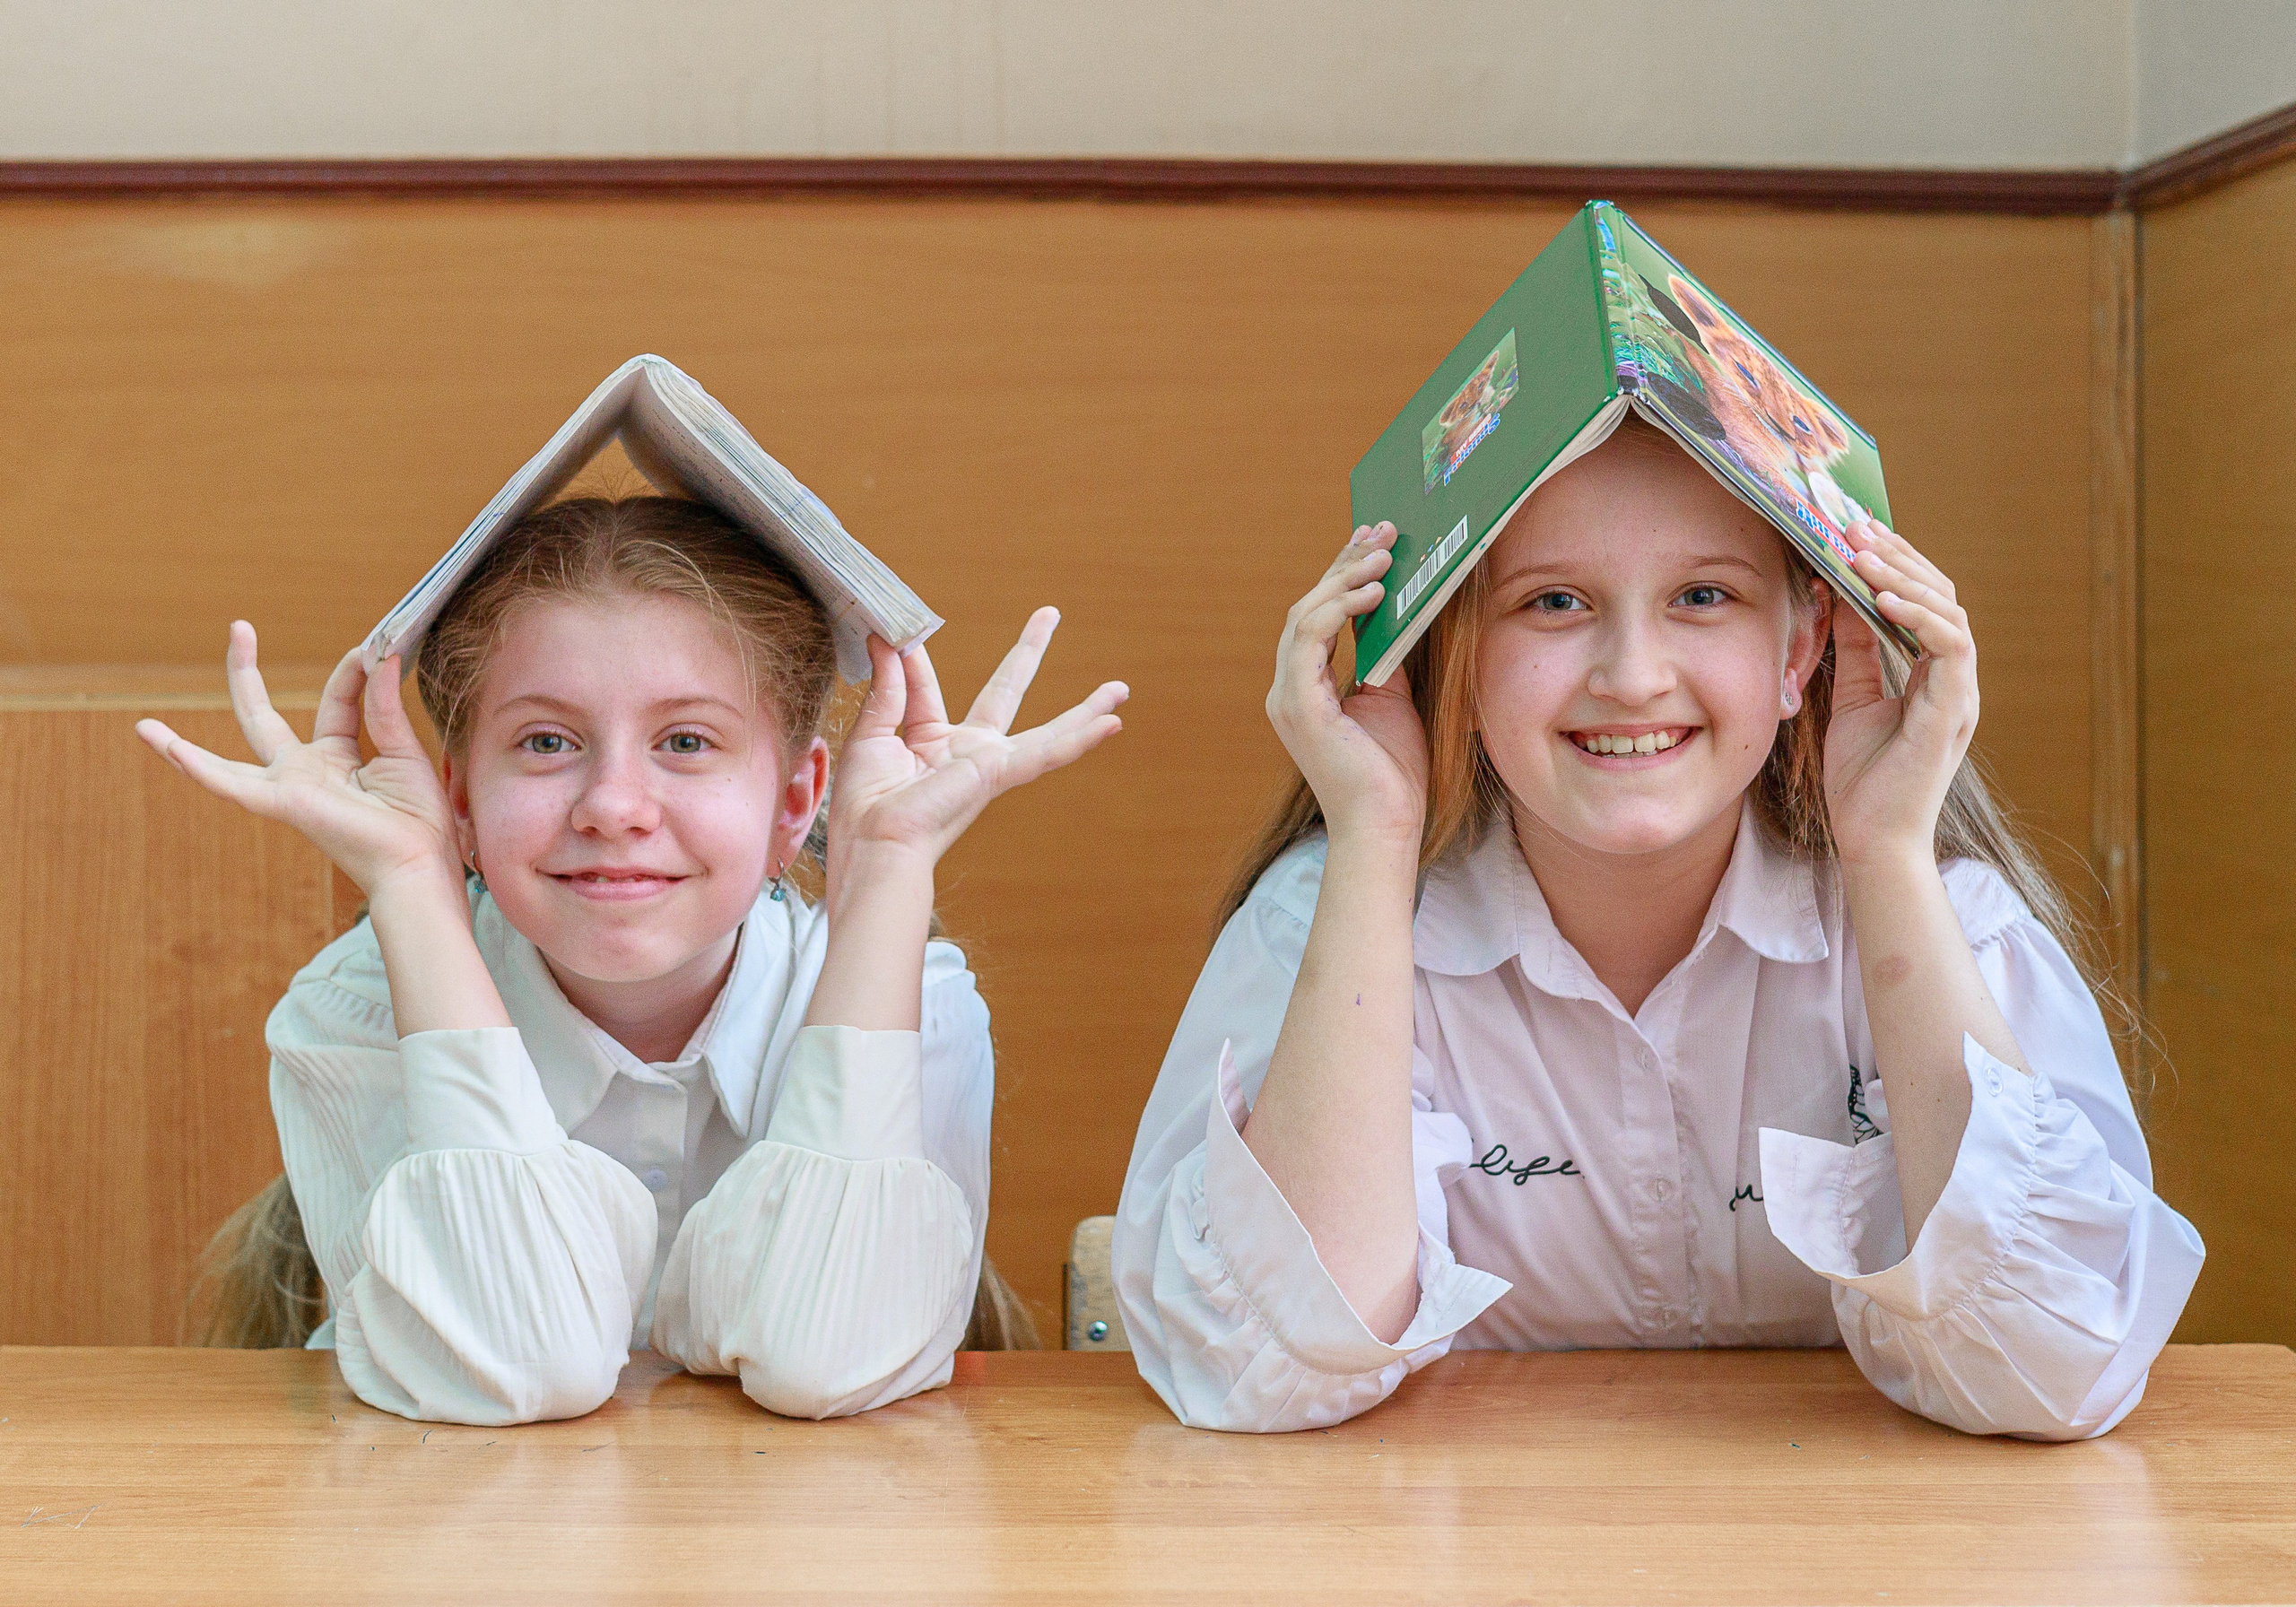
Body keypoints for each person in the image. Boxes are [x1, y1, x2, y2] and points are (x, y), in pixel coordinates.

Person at [1114, 416, 2202, 1438]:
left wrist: (1884, 852)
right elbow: (1265, 1369)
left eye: (1701, 595)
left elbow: (2053, 1371)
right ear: (1452, 654)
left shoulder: (1946, 915)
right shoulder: (1325, 916)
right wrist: (1372, 833)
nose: (1631, 677)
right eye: (1551, 603)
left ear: (1800, 648)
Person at [146, 494, 1126, 1425]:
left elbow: (827, 1356)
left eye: (687, 740)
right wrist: (410, 875)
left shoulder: (913, 1002)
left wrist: (893, 867)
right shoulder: (355, 1009)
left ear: (795, 804)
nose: (613, 804)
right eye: (545, 740)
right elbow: (517, 1360)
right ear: (459, 804)